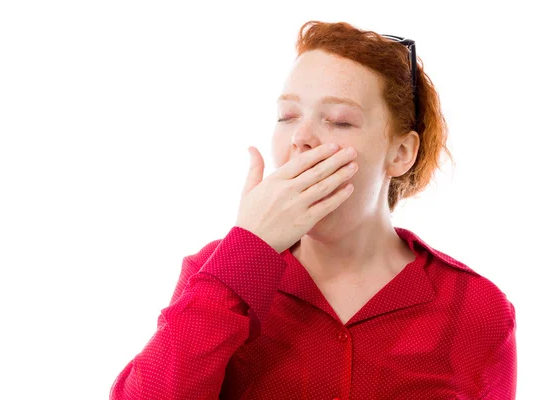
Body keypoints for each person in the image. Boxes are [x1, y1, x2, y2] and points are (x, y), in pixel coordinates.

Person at [109, 20, 517, 399]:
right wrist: (247, 251)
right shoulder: (213, 273)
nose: (301, 138)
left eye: (339, 121)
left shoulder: (478, 309)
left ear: (401, 152)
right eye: (287, 116)